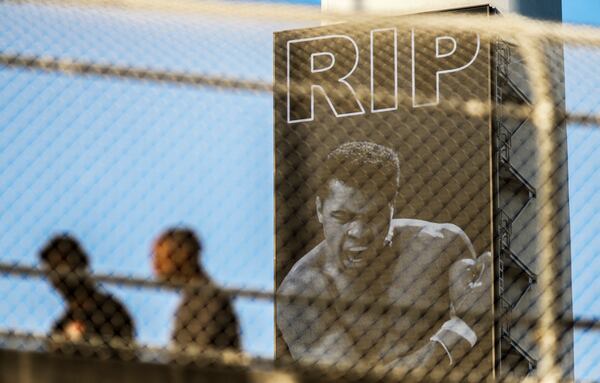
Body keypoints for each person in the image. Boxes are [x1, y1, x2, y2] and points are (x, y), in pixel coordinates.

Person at [276, 141, 491, 372]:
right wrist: (465, 327)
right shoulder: (300, 294)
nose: (359, 233)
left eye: (373, 216)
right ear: (320, 210)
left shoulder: (442, 246)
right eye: (342, 216)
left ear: (391, 207)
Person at [39, 235, 135, 352]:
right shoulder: (62, 323)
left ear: (81, 265)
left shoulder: (110, 310)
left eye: (62, 265)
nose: (57, 277)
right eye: (51, 270)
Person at [152, 228, 241, 353]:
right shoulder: (195, 298)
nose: (156, 267)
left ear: (183, 255)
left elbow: (197, 354)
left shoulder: (207, 300)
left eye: (161, 258)